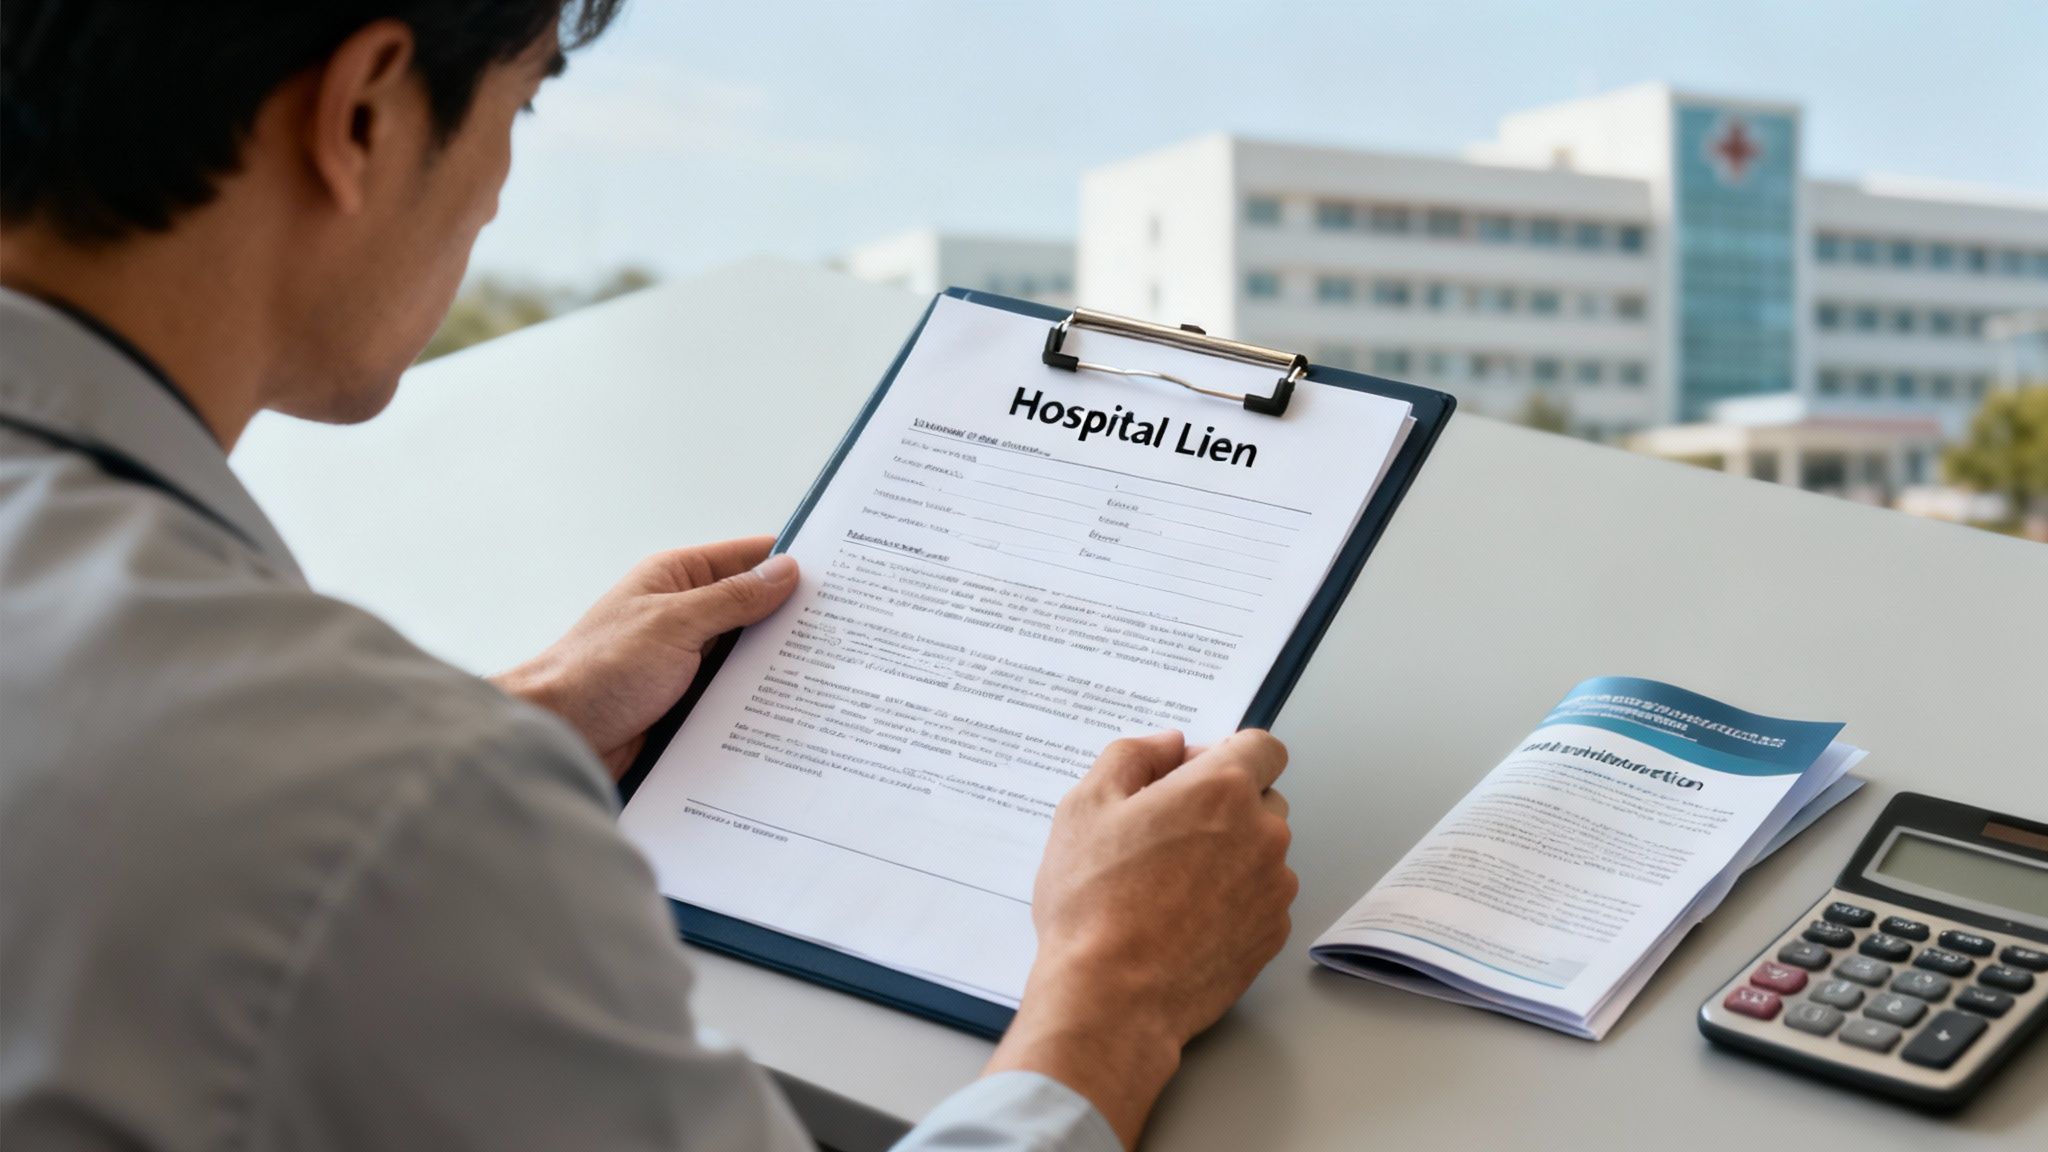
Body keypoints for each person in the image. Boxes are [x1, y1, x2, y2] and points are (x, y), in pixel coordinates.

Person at [0, 4, 1298, 1149]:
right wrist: (1112, 994)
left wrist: (524, 724)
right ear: (362, 112)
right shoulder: (384, 799)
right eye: (522, 103)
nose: (503, 185)